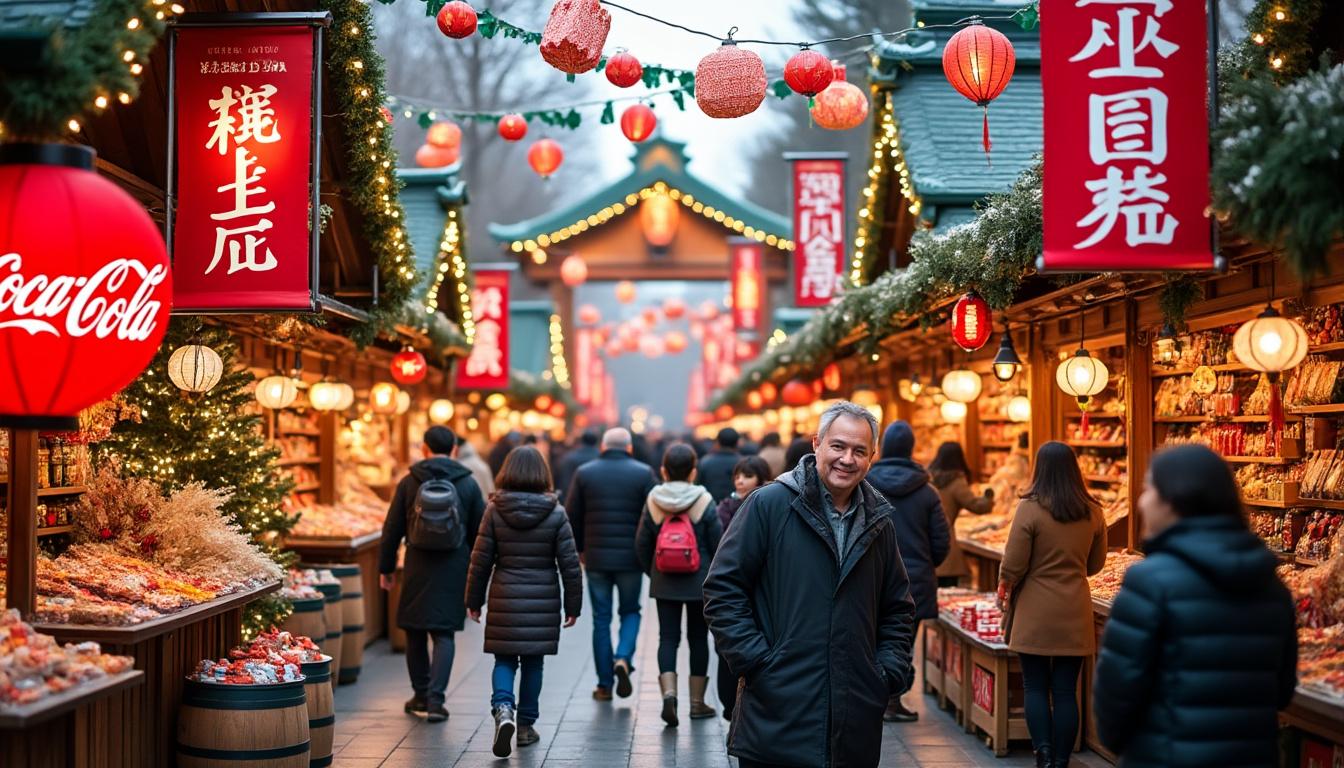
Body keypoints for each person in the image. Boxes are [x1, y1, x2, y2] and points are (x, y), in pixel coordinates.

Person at [704, 402, 916, 768]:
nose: (847, 459)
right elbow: (723, 589)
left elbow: (897, 606)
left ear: (872, 457)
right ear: (816, 444)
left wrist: (885, 673)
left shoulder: (878, 522)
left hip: (854, 718)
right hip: (778, 712)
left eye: (859, 451)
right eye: (838, 446)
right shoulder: (769, 505)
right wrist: (757, 663)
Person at [1093, 445, 1297, 768]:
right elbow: (1282, 692)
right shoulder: (1272, 587)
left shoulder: (1149, 583)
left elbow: (1116, 697)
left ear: (1174, 500)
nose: (1141, 501)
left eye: (1148, 489)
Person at [465, 446, 582, 758]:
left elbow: (480, 560)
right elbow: (570, 564)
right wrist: (573, 606)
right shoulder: (556, 512)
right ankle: (526, 726)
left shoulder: (494, 510)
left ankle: (504, 708)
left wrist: (473, 600)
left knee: (503, 659)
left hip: (504, 592)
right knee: (533, 662)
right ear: (542, 474)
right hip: (543, 594)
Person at [997, 441, 1107, 768]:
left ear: (1039, 468)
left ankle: (1042, 754)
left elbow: (1014, 564)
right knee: (1065, 691)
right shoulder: (1093, 510)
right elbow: (1095, 564)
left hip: (1034, 609)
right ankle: (1061, 761)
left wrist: (1005, 585)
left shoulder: (1029, 508)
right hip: (1074, 608)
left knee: (1034, 686)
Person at [378, 426, 486, 722]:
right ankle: (437, 701)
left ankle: (420, 694)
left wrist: (386, 568)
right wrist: (479, 573)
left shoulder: (410, 481)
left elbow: (391, 530)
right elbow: (481, 531)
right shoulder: (468, 484)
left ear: (424, 449)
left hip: (417, 563)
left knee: (415, 630)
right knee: (443, 633)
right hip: (454, 565)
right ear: (454, 449)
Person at [565, 427, 657, 700]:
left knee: (601, 619)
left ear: (603, 447)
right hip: (631, 558)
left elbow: (573, 517)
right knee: (630, 611)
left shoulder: (585, 473)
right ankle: (623, 657)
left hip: (596, 558)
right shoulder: (643, 473)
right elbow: (653, 516)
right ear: (629, 448)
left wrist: (580, 549)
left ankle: (604, 685)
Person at [866, 420, 949, 723]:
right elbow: (941, 541)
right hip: (914, 579)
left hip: (870, 577)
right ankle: (892, 698)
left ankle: (871, 697)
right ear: (911, 448)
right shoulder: (927, 492)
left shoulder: (866, 484)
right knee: (902, 641)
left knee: (869, 636)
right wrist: (925, 565)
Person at [634, 443, 722, 727]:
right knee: (698, 639)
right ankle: (697, 703)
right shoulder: (704, 500)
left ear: (663, 470)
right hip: (700, 581)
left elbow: (642, 543)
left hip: (665, 579)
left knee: (668, 638)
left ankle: (668, 695)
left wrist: (654, 571)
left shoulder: (653, 499)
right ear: (694, 471)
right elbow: (718, 542)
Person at [710, 454, 771, 721]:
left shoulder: (773, 505)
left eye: (747, 476)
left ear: (761, 477)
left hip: (764, 593)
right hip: (735, 592)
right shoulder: (724, 509)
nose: (740, 481)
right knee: (728, 652)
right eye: (737, 476)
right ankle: (730, 708)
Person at [930, 441, 995, 585]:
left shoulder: (928, 479)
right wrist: (989, 497)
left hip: (925, 549)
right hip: (946, 551)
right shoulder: (956, 481)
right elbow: (976, 505)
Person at [697, 427, 741, 504]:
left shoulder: (705, 462)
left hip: (711, 506)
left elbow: (699, 486)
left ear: (718, 442)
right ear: (737, 443)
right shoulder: (743, 463)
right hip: (738, 508)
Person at [554, 430, 599, 504]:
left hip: (573, 502)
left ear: (581, 441)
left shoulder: (569, 458)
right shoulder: (600, 458)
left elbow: (564, 483)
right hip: (595, 503)